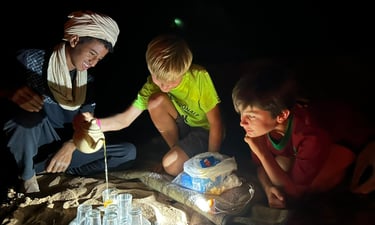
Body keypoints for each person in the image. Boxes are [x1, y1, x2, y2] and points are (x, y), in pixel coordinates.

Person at [1, 10, 136, 194]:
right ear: (74, 40)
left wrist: (71, 145)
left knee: (127, 152)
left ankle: (61, 169)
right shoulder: (29, 60)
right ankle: (27, 177)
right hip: (30, 146)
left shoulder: (86, 82)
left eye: (99, 59)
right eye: (92, 54)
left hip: (61, 149)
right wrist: (10, 92)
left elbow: (85, 125)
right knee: (27, 119)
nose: (93, 63)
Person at [78, 33, 224, 176]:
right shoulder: (151, 87)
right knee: (155, 101)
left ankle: (182, 157)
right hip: (184, 126)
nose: (165, 87)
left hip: (205, 130)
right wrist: (95, 124)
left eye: (172, 82)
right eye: (159, 80)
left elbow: (216, 123)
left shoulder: (198, 77)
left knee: (171, 166)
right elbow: (125, 119)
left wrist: (212, 160)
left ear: (184, 71)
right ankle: (176, 151)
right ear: (150, 69)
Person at [231, 64, 375, 209]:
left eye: (251, 116)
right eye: (241, 113)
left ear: (281, 115)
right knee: (281, 168)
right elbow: (261, 169)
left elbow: (294, 192)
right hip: (309, 139)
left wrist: (262, 153)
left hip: (347, 137)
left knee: (305, 188)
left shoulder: (310, 136)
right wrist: (268, 188)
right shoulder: (257, 127)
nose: (242, 122)